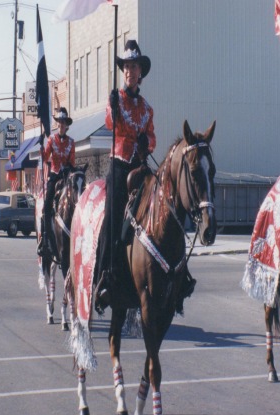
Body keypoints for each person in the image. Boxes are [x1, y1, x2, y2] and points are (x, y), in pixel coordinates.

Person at [94, 40, 157, 310]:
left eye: (135, 66)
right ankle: (103, 279)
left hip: (140, 168)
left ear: (141, 72)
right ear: (123, 71)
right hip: (120, 167)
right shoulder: (116, 99)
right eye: (127, 66)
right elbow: (111, 122)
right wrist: (112, 106)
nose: (130, 71)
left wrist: (148, 144)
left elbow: (152, 136)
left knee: (159, 208)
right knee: (112, 221)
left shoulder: (146, 108)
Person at [40, 107, 75, 259]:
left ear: (67, 125)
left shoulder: (71, 142)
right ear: (57, 124)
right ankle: (45, 239)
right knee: (47, 206)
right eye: (59, 122)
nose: (61, 125)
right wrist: (42, 149)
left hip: (66, 176)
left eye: (63, 123)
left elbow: (72, 163)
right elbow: (45, 157)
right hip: (54, 176)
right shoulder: (51, 139)